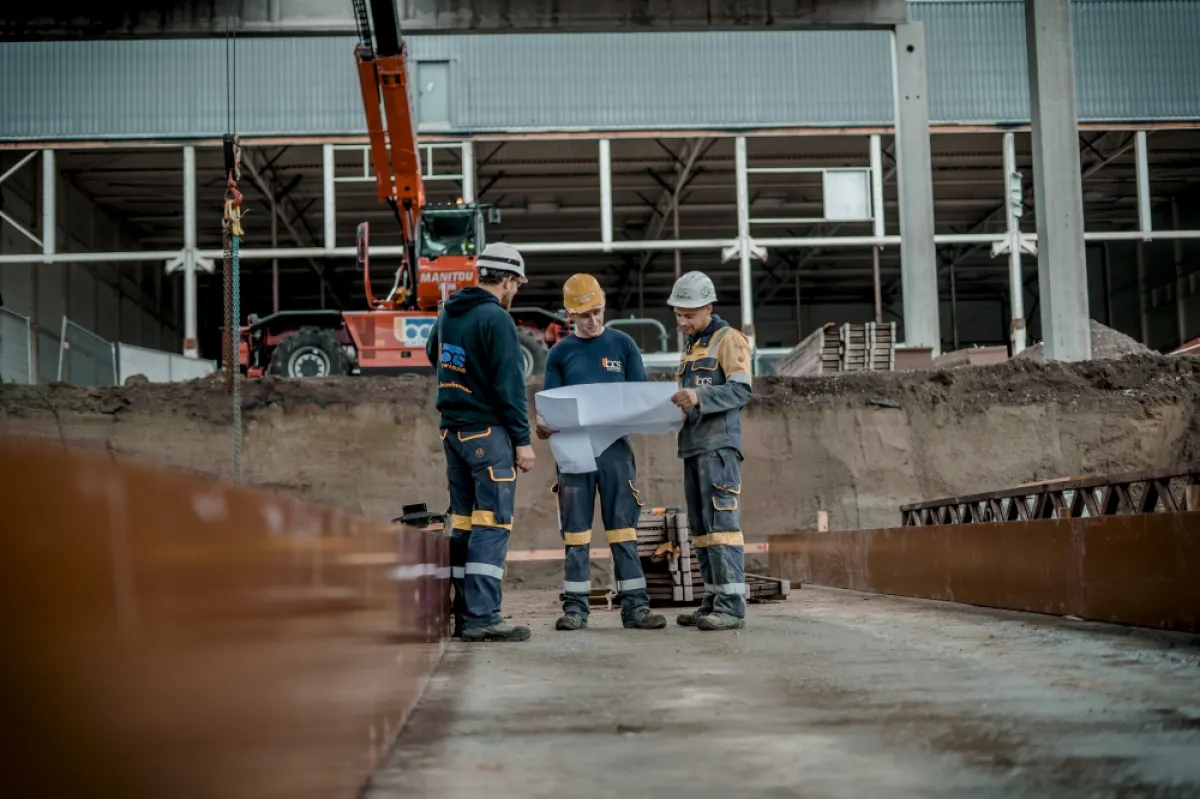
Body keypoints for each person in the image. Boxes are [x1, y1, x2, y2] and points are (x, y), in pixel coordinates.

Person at [536, 274, 667, 632]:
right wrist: (543, 425)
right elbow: (549, 408)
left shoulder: (623, 345)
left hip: (614, 450)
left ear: (604, 305)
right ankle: (576, 609)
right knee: (576, 535)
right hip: (574, 451)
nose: (592, 321)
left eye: (597, 312)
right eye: (584, 315)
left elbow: (641, 398)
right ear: (569, 316)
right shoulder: (560, 354)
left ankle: (636, 609)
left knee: (623, 531)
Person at [425, 241, 536, 643]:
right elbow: (510, 387)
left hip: (453, 432)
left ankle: (460, 612)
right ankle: (482, 616)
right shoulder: (497, 320)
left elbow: (431, 352)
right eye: (516, 284)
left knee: (465, 523)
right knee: (493, 523)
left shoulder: (449, 311)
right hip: (488, 435)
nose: (515, 291)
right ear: (506, 280)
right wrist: (523, 442)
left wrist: (462, 382)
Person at [667, 271, 753, 632]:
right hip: (694, 448)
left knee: (722, 528)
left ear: (708, 307)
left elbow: (742, 391)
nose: (683, 322)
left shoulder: (728, 340)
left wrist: (700, 396)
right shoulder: (691, 348)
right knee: (701, 531)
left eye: (689, 314)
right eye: (678, 315)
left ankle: (732, 607)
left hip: (719, 449)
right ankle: (712, 601)